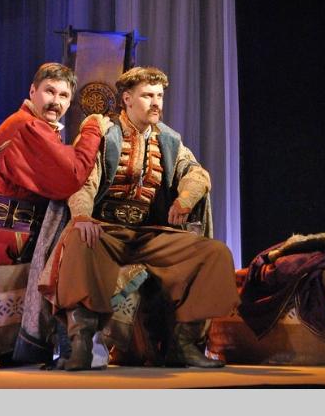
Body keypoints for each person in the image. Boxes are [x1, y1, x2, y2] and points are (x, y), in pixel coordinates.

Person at [49, 66, 239, 370]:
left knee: (214, 254)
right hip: (106, 232)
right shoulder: (105, 133)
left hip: (148, 234)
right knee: (79, 239)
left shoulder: (169, 140)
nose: (156, 103)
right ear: (127, 99)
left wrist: (185, 198)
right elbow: (83, 181)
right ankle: (80, 344)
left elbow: (197, 174)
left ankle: (183, 344)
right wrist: (82, 216)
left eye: (159, 96)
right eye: (148, 95)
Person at [0, 62, 110, 368]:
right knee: (68, 259)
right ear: (33, 91)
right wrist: (92, 131)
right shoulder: (25, 126)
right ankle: (68, 347)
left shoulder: (38, 127)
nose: (56, 101)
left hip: (12, 233)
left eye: (64, 96)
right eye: (49, 91)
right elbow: (69, 176)